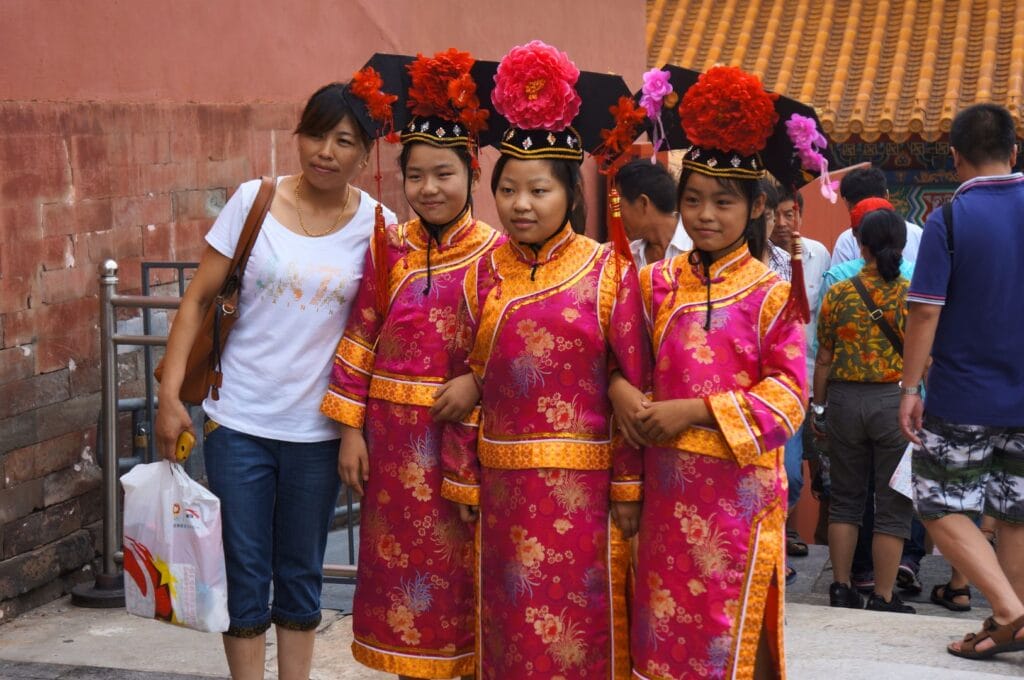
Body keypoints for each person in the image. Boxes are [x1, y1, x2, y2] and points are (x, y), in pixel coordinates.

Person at [155, 83, 396, 680]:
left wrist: (355, 428)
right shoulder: (253, 201)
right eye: (316, 134)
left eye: (344, 141)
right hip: (238, 419)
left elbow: (379, 334)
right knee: (243, 568)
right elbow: (198, 299)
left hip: (319, 431)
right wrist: (168, 397)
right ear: (299, 136)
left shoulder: (380, 226)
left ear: (364, 155)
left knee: (299, 573)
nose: (325, 151)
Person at [439, 40, 649, 679]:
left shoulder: (606, 271)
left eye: (538, 190)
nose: (521, 204)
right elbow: (461, 380)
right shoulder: (480, 275)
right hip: (502, 491)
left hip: (584, 496)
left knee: (579, 640)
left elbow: (630, 380)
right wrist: (461, 476)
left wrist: (628, 487)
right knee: (509, 640)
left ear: (570, 194)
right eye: (507, 189)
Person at [320, 51, 501, 679]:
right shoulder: (389, 245)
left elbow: (504, 349)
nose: (428, 188)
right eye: (416, 175)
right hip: (391, 447)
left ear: (473, 173)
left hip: (459, 444)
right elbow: (362, 330)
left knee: (460, 582)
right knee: (403, 591)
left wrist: (473, 384)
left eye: (443, 174)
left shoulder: (496, 255)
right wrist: (350, 429)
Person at [625, 65, 809, 680]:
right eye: (694, 200)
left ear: (756, 206)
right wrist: (624, 391)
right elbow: (613, 354)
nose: (705, 215)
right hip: (667, 493)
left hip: (741, 499)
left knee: (738, 633)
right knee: (668, 640)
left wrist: (694, 410)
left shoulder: (772, 294)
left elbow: (787, 400)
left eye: (723, 202)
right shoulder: (654, 285)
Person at [900, 103, 1024, 659]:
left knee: (937, 502)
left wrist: (908, 389)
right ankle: (1014, 625)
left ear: (955, 158)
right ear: (1013, 151)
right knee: (1017, 512)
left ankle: (1010, 612)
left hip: (962, 394)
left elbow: (924, 313)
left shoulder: (947, 220)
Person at [811, 208, 915, 614]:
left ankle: (840, 588)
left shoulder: (838, 292)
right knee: (892, 504)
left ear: (861, 245)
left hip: (843, 401)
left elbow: (823, 359)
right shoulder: (912, 292)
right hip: (893, 402)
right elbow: (924, 359)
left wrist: (818, 408)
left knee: (846, 500)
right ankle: (884, 596)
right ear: (901, 247)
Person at [773, 188, 830, 564]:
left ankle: (785, 532)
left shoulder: (819, 255)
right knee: (783, 471)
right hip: (772, 382)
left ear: (801, 216)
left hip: (809, 379)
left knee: (803, 475)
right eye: (775, 215)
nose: (781, 224)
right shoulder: (760, 258)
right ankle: (775, 540)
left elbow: (825, 318)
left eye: (789, 214)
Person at [831, 167, 923, 266]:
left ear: (847, 203)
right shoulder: (918, 234)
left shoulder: (846, 241)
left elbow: (838, 279)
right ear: (887, 195)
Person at [616, 158, 692, 268]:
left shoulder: (696, 246)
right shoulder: (630, 258)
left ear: (643, 203)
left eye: (619, 205)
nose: (617, 215)